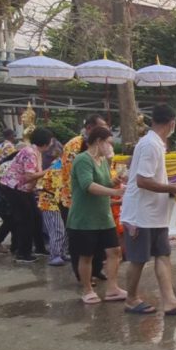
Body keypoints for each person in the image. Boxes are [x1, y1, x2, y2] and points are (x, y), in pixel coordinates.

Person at [120, 104, 176, 315]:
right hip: (140, 214)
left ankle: (170, 300)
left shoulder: (156, 144)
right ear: (172, 122)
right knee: (138, 259)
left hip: (155, 212)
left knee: (163, 254)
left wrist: (174, 185)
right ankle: (131, 299)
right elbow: (143, 180)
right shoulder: (150, 145)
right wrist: (173, 187)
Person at [67, 126, 127, 303]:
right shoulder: (82, 160)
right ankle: (87, 290)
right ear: (99, 141)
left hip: (103, 217)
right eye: (109, 143)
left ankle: (112, 288)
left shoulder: (102, 161)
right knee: (86, 255)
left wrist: (116, 181)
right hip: (84, 219)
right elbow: (88, 186)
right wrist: (115, 193)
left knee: (115, 251)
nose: (111, 147)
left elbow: (105, 182)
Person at [62, 114, 109, 281]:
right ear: (90, 129)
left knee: (97, 240)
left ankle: (96, 270)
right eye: (101, 127)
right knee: (81, 245)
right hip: (75, 198)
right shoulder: (75, 146)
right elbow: (73, 173)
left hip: (96, 198)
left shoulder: (101, 151)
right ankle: (82, 276)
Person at [0, 127, 54, 263]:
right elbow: (29, 176)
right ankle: (23, 253)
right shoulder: (30, 152)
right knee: (26, 219)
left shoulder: (36, 151)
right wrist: (50, 170)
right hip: (14, 187)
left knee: (36, 217)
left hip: (23, 189)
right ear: (46, 141)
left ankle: (40, 248)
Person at [37, 155, 67, 266]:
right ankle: (55, 255)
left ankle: (61, 253)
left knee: (63, 229)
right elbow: (58, 185)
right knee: (57, 229)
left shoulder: (62, 163)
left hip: (59, 200)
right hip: (50, 200)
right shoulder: (59, 164)